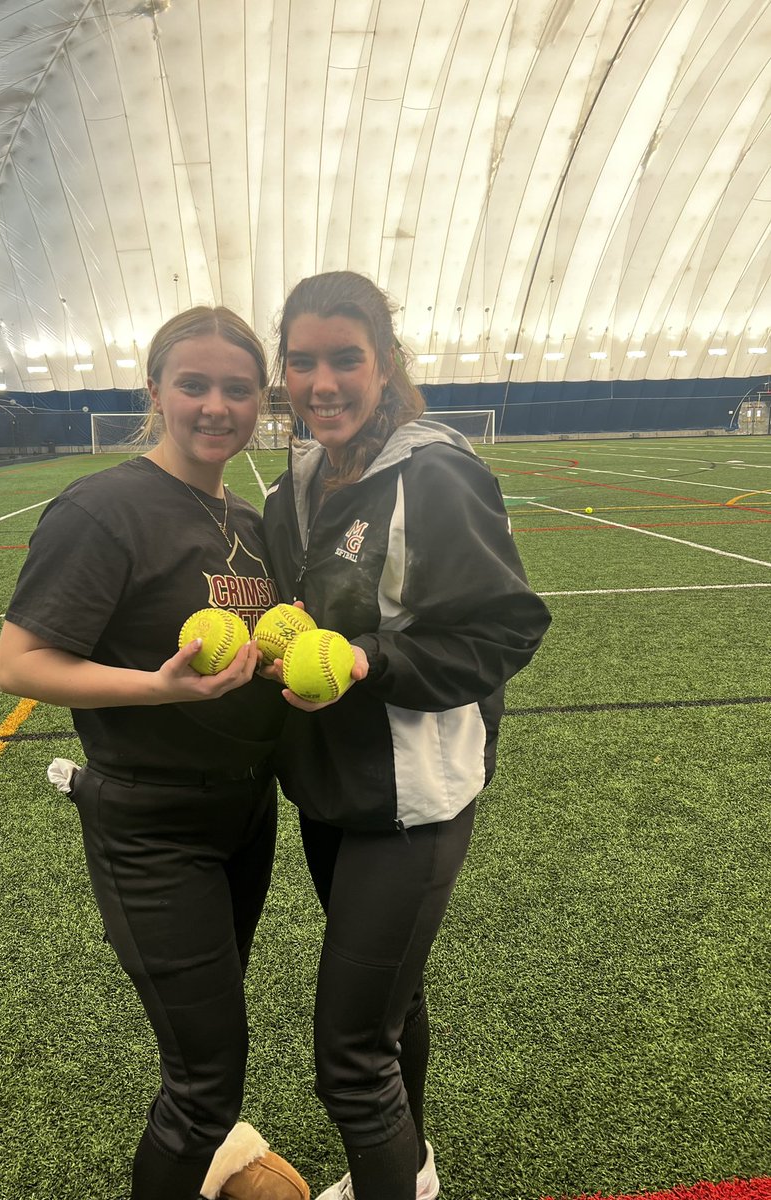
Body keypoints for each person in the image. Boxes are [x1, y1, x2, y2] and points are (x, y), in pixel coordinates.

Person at [0, 307, 307, 1200]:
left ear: (261, 399)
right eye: (194, 385)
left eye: (238, 389)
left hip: (244, 815)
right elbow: (20, 664)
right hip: (152, 825)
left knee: (209, 1044)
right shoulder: (104, 509)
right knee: (207, 1084)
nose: (217, 406)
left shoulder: (242, 514)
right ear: (155, 392)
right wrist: (160, 689)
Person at [261, 271, 552, 1200]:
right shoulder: (300, 481)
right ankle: (407, 1172)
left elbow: (506, 630)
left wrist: (366, 663)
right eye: (302, 362)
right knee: (394, 1007)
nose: (323, 384)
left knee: (348, 1060)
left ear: (385, 364)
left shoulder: (436, 472)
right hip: (327, 789)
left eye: (345, 359)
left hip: (414, 797)